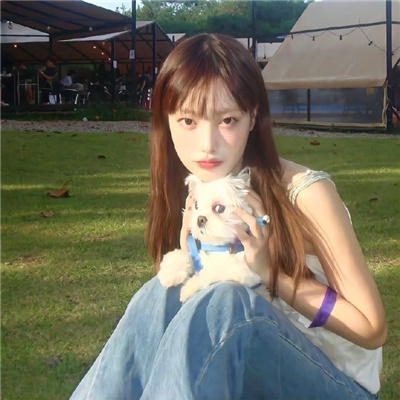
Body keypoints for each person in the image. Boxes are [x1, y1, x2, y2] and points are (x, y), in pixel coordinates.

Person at [70, 33, 387, 400]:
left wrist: (267, 272)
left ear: (253, 117)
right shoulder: (197, 190)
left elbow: (371, 328)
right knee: (160, 292)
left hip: (334, 385)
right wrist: (188, 253)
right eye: (188, 120)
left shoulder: (305, 193)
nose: (208, 145)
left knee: (226, 302)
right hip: (249, 374)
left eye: (227, 120)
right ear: (166, 121)